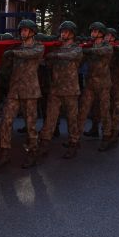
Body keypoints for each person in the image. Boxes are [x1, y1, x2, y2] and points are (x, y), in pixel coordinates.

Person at [0, 19, 44, 169]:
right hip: (14, 90)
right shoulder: (16, 47)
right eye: (21, 30)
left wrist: (13, 52)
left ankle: (33, 153)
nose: (23, 32)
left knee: (30, 125)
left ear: (32, 32)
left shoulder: (38, 47)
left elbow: (29, 54)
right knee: (5, 121)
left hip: (30, 91)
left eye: (25, 30)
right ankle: (4, 153)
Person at [39, 20, 82, 160]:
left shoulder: (76, 48)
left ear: (72, 34)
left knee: (72, 119)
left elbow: (71, 56)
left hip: (70, 90)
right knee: (50, 119)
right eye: (62, 32)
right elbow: (48, 63)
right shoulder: (56, 48)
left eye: (66, 32)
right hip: (56, 89)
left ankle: (73, 143)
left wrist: (54, 55)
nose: (63, 34)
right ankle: (44, 144)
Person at [78, 22, 114, 151]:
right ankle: (75, 138)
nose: (92, 33)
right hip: (90, 83)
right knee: (83, 110)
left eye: (94, 31)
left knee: (104, 111)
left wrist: (86, 50)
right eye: (92, 31)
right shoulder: (89, 45)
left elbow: (101, 52)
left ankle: (107, 136)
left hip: (103, 84)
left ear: (101, 33)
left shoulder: (107, 46)